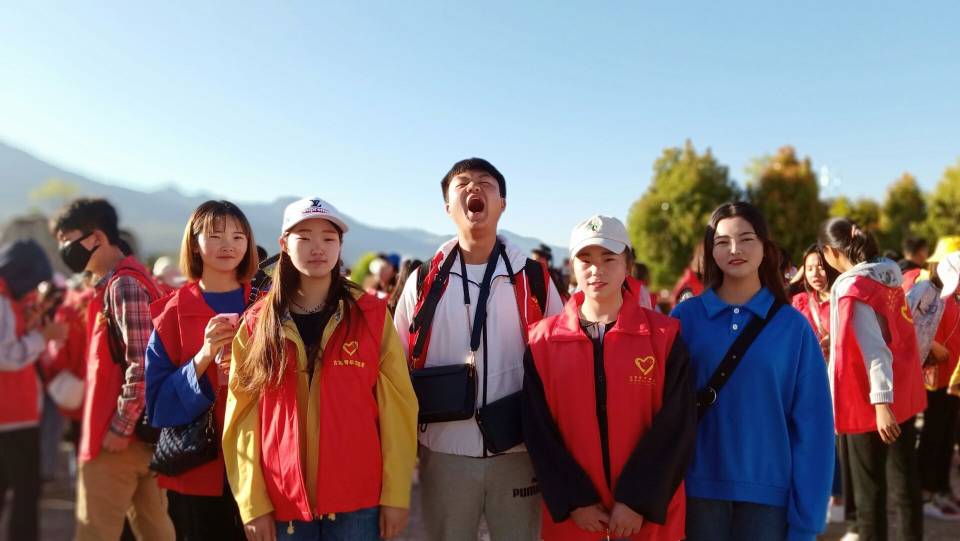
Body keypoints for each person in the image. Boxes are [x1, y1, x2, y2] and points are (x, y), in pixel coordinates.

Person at [223, 197, 418, 541]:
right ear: (284, 244)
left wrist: (396, 494)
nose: (318, 248)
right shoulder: (256, 323)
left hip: (357, 501)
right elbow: (242, 417)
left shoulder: (371, 316)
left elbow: (397, 408)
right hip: (283, 501)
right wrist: (253, 503)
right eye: (304, 237)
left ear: (340, 245)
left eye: (328, 238)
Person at [392, 158, 564, 541]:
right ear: (447, 207)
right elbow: (396, 366)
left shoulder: (532, 278)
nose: (474, 188)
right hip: (443, 450)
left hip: (519, 448)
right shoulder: (423, 280)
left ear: (502, 203)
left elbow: (561, 358)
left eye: (486, 182)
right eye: (463, 183)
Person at [523, 215, 696, 541]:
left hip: (646, 518)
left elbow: (677, 425)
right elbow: (538, 430)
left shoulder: (664, 336)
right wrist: (575, 500)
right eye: (585, 260)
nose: (596, 270)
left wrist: (636, 500)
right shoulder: (542, 342)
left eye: (608, 259)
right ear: (572, 267)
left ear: (628, 265)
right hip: (577, 519)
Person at [671, 202, 834, 541]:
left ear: (765, 247)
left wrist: (806, 521)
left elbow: (814, 427)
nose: (735, 250)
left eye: (746, 239)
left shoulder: (793, 327)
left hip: (769, 500)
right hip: (695, 493)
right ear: (709, 250)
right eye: (722, 242)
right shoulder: (684, 320)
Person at [51, 198, 175, 540]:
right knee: (155, 528)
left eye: (67, 239)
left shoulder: (124, 285)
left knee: (95, 531)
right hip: (142, 435)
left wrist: (121, 427)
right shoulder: (133, 280)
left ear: (96, 237)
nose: (64, 249)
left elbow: (143, 363)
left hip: (117, 438)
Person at [145, 201, 259, 539]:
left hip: (262, 464)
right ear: (194, 243)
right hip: (197, 467)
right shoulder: (172, 312)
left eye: (238, 236)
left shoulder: (266, 304)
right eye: (215, 235)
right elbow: (157, 403)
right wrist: (204, 355)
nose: (228, 245)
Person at [819, 217, 927, 541]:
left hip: (870, 401)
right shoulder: (889, 273)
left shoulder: (854, 287)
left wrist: (881, 403)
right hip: (901, 391)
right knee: (905, 485)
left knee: (870, 496)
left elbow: (874, 348)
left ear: (829, 252)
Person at [0, 240, 67, 541]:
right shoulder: (2, 300)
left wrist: (31, 328)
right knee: (26, 493)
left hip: (16, 413)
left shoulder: (9, 298)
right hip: (13, 416)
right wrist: (43, 337)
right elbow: (6, 355)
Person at [906, 251, 960, 519]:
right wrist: (934, 349)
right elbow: (914, 328)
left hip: (954, 376)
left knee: (947, 433)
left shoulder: (954, 294)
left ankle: (941, 487)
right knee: (933, 433)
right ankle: (926, 491)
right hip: (934, 374)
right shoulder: (926, 290)